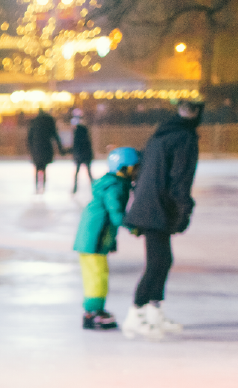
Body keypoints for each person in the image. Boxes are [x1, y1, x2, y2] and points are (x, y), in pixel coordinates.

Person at [122, 99, 202, 340]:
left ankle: (154, 312)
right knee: (157, 263)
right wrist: (183, 210)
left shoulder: (161, 134)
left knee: (164, 260)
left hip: (150, 204)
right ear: (197, 113)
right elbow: (180, 178)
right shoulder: (184, 138)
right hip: (158, 207)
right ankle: (135, 315)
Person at [72, 147, 139, 331]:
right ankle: (93, 313)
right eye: (134, 168)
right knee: (97, 277)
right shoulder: (115, 186)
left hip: (91, 238)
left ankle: (92, 311)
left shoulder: (112, 182)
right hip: (94, 240)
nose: (136, 172)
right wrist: (134, 227)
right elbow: (116, 214)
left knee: (94, 275)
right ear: (123, 168)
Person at [26, 108, 63, 194]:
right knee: (44, 168)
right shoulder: (49, 121)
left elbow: (29, 138)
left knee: (37, 168)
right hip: (46, 148)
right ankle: (43, 187)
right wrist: (60, 149)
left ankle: (37, 187)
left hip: (36, 149)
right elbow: (55, 135)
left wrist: (30, 149)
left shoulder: (34, 122)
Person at [69, 108, 94, 193]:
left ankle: (75, 188)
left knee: (78, 172)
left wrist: (75, 154)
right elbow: (88, 144)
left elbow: (76, 146)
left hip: (80, 155)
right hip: (86, 155)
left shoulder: (77, 133)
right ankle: (94, 186)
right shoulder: (85, 132)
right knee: (88, 173)